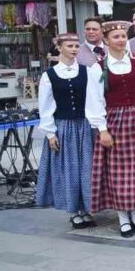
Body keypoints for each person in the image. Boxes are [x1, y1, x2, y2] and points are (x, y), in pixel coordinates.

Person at [86, 21, 135, 237]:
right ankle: (123, 218)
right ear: (107, 40)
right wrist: (102, 129)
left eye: (122, 36)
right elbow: (95, 100)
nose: (120, 40)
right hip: (115, 122)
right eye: (116, 37)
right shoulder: (98, 67)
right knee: (119, 173)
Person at [36, 33, 95, 229]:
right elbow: (45, 105)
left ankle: (87, 208)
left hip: (84, 125)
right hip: (64, 126)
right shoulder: (49, 75)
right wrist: (50, 133)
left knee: (87, 169)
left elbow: (94, 100)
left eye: (76, 46)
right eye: (69, 45)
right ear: (59, 48)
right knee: (69, 169)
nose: (74, 49)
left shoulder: (88, 71)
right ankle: (74, 211)